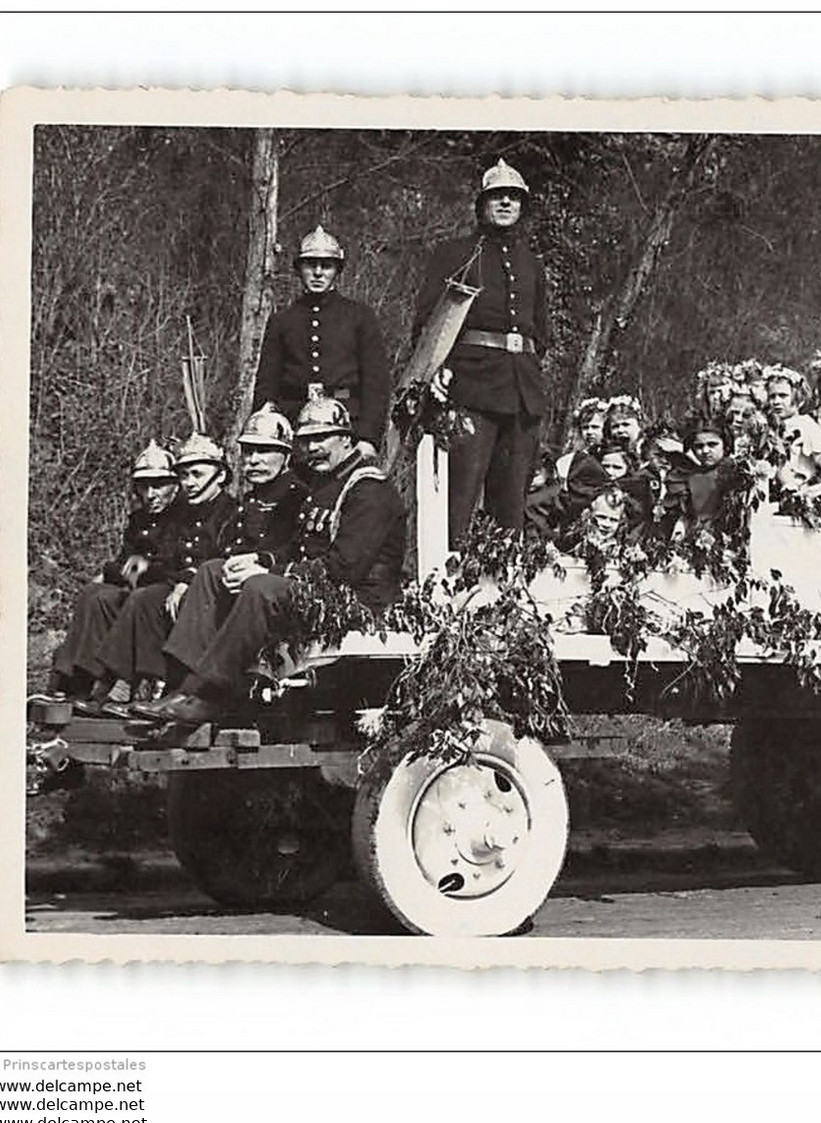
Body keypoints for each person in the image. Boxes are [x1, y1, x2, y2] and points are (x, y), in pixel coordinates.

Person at [136, 392, 407, 726]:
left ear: (346, 439)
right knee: (212, 571)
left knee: (261, 589)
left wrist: (269, 570)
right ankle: (181, 687)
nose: (312, 449)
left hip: (355, 602)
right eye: (306, 441)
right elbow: (299, 547)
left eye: (321, 438)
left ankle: (211, 694)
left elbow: (343, 568)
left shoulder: (369, 490)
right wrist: (258, 558)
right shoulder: (325, 483)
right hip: (317, 589)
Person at [417, 158, 551, 543]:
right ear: (482, 204)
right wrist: (440, 369)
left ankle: (500, 591)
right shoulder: (455, 253)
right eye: (497, 197)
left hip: (522, 393)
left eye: (514, 197)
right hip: (471, 390)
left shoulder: (531, 263)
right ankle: (444, 590)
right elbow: (429, 322)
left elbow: (540, 332)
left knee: (511, 506)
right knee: (458, 501)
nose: (506, 203)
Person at [155, 404, 310, 704]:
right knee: (211, 569)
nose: (254, 460)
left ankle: (200, 690)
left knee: (222, 574)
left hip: (274, 586)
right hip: (243, 581)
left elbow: (296, 548)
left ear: (287, 457)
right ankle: (180, 682)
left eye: (264, 452)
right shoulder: (252, 498)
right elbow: (228, 545)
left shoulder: (295, 495)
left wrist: (261, 563)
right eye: (248, 452)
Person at [80, 434, 239, 714]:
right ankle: (94, 683)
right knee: (122, 596)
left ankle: (123, 684)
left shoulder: (229, 511)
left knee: (145, 599)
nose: (189, 483)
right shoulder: (184, 514)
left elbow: (221, 556)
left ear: (221, 475)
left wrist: (183, 581)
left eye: (197, 474)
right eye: (185, 475)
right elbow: (166, 554)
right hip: (174, 581)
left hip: (211, 589)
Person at [44, 440, 179, 702]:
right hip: (137, 584)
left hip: (161, 588)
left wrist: (141, 569)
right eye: (143, 486)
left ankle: (123, 680)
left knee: (136, 598)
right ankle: (76, 678)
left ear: (174, 485)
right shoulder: (138, 520)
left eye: (159, 485)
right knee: (94, 594)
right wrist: (117, 571)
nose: (151, 494)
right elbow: (122, 561)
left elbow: (172, 564)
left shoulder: (182, 516)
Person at [252, 226, 392, 459]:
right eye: (310, 265)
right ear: (299, 270)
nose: (318, 273)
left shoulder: (359, 317)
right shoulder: (282, 321)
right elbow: (267, 385)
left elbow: (376, 384)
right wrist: (265, 431)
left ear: (337, 270)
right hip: (294, 427)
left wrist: (368, 437)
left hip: (345, 425)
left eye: (326, 266)